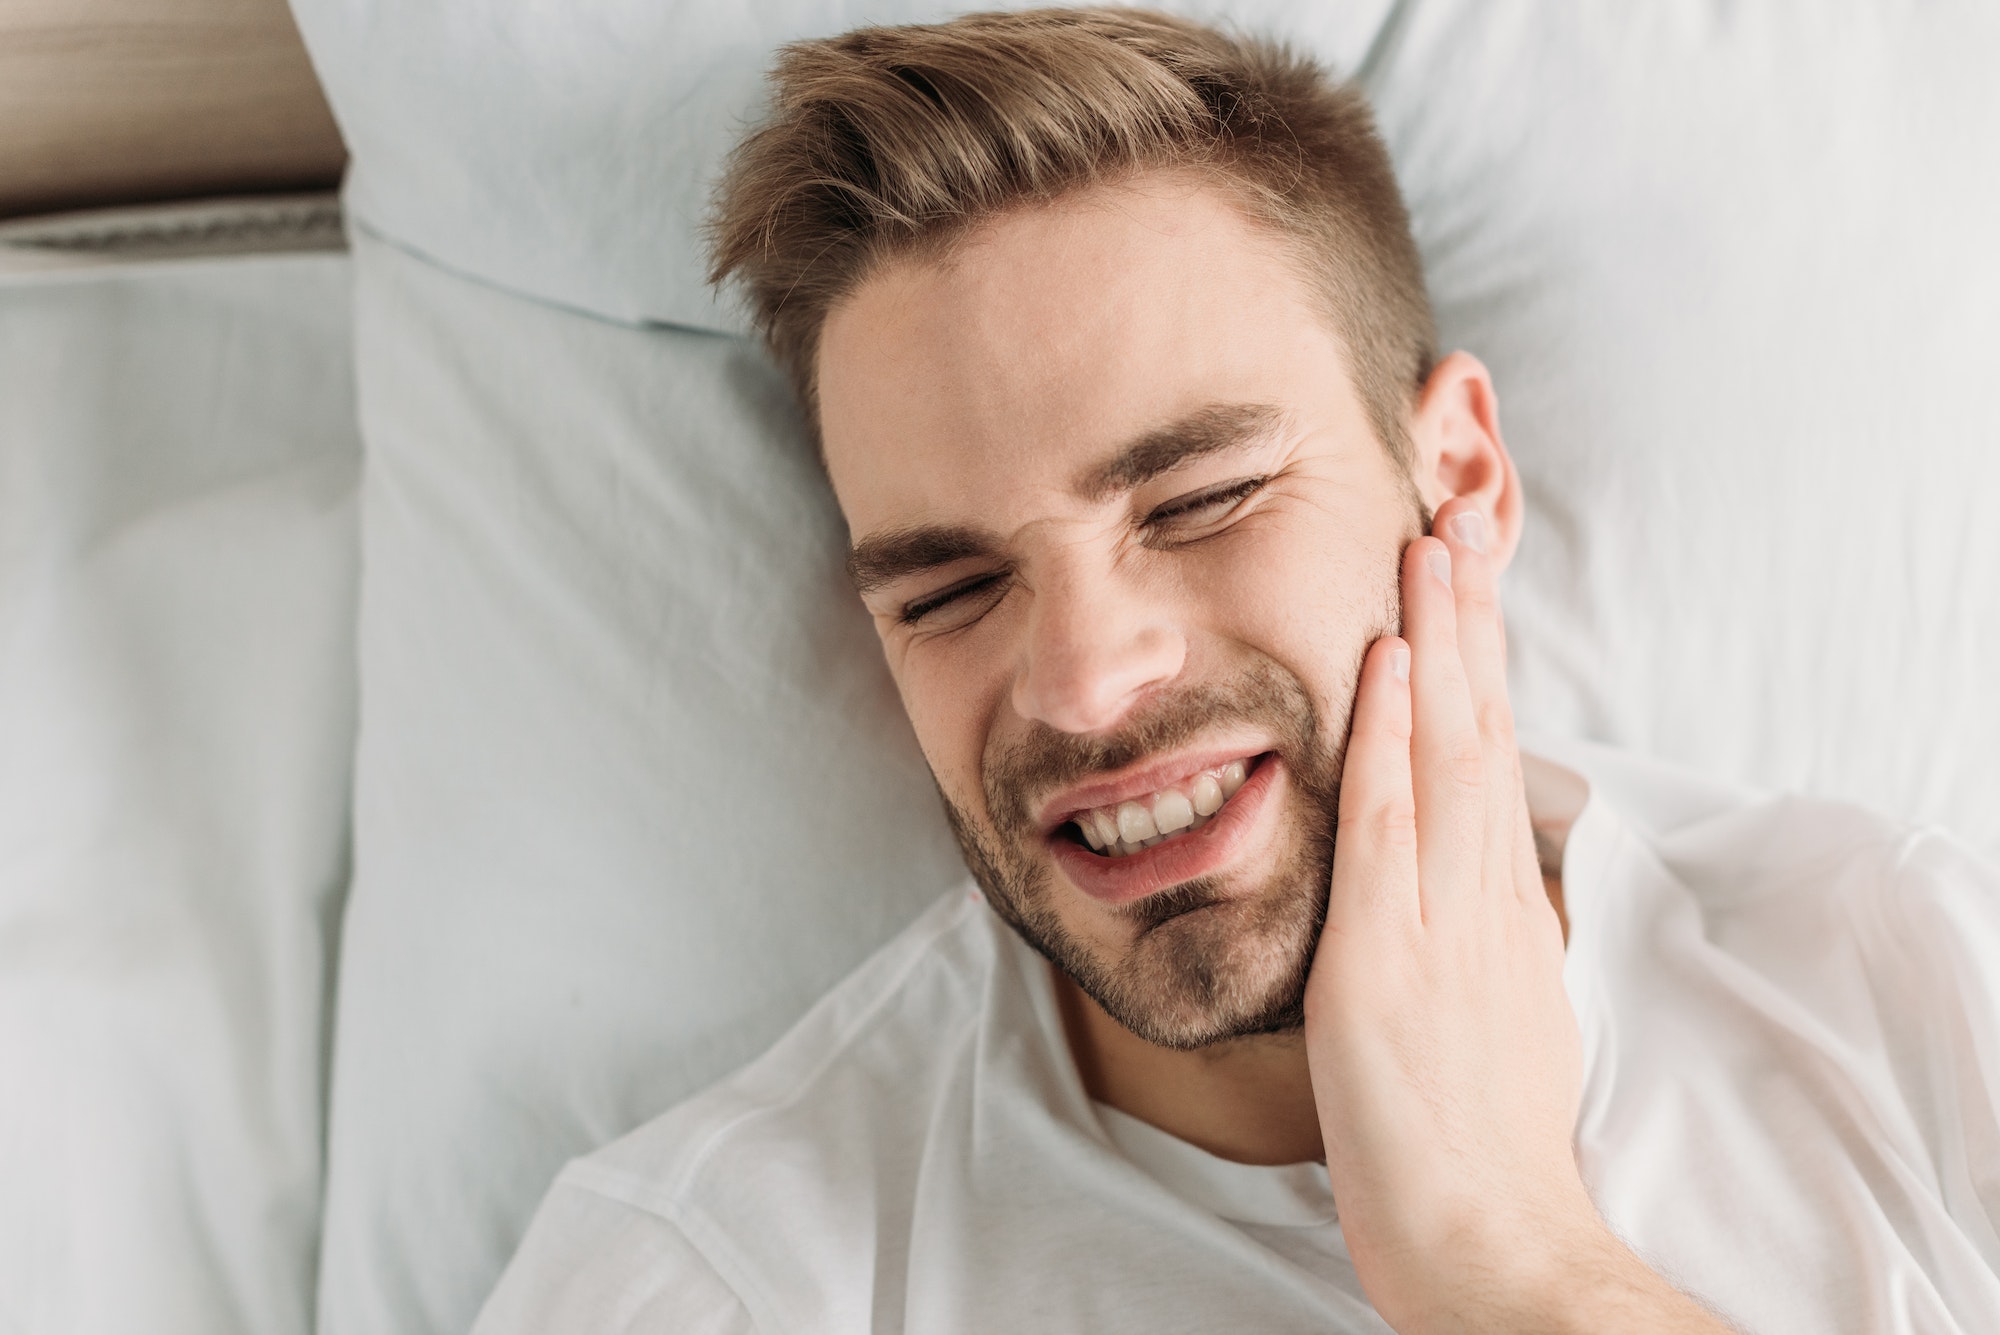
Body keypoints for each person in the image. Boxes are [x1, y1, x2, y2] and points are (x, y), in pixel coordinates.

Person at [474, 9, 2000, 1332]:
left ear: (1457, 477)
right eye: (949, 589)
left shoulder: (1919, 991)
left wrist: (1516, 1270)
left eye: (1200, 501)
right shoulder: (711, 1284)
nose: (1081, 681)